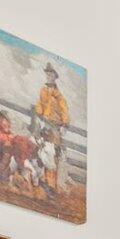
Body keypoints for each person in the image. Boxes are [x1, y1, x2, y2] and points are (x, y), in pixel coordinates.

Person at [32, 61, 71, 194]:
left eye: (51, 74)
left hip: (54, 127)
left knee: (52, 155)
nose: (49, 76)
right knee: (38, 148)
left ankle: (51, 185)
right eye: (47, 74)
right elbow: (40, 104)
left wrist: (65, 124)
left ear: (55, 77)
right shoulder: (43, 90)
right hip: (44, 124)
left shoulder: (58, 94)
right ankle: (38, 177)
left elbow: (64, 108)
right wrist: (38, 115)